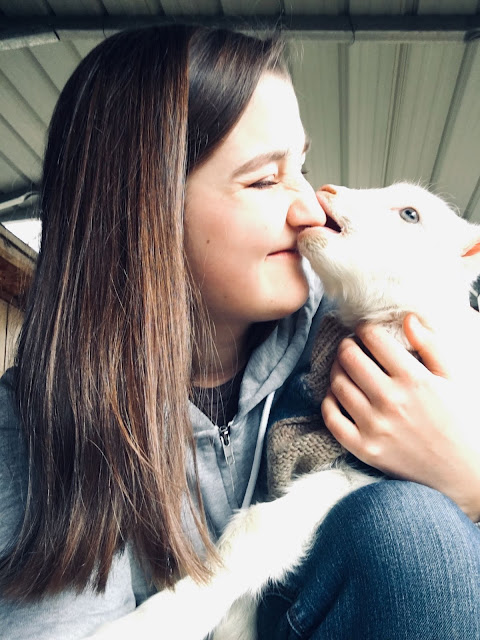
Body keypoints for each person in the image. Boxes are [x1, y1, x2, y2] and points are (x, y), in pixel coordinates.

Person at [0, 24, 479, 639]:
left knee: (415, 532)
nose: (311, 205)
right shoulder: (33, 423)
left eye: (301, 168)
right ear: (143, 209)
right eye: (264, 180)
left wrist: (468, 484)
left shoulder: (354, 342)